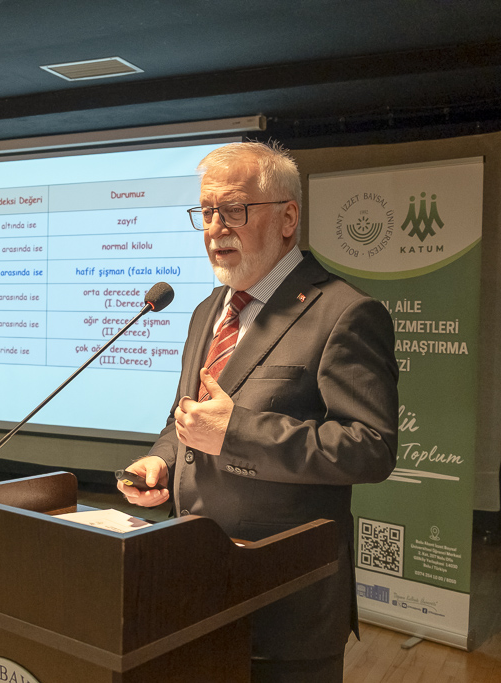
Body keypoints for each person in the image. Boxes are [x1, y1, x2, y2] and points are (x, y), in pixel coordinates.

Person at [118, 141, 399, 682]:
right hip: (193, 588)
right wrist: (162, 460)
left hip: (285, 602)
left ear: (288, 218)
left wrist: (238, 432)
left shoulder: (345, 313)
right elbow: (187, 417)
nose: (214, 228)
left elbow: (371, 448)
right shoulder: (207, 311)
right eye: (206, 211)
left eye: (234, 210)